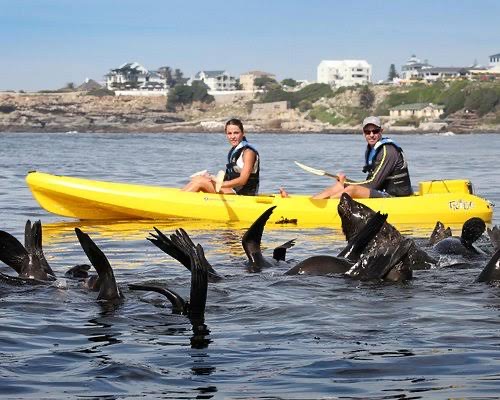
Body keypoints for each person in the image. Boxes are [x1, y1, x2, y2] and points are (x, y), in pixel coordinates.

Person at [280, 116, 413, 199]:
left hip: (395, 197)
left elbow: (373, 183)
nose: (371, 135)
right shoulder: (372, 149)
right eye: (368, 132)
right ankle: (307, 202)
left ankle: (321, 207)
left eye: (375, 131)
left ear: (381, 132)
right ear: (363, 133)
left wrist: (346, 184)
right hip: (381, 191)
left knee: (350, 189)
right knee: (339, 186)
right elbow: (371, 182)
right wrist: (342, 184)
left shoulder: (388, 151)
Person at [182, 118, 260, 195]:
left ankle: (179, 201)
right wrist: (213, 178)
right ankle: (180, 197)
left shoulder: (248, 153)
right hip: (232, 190)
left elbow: (242, 180)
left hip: (242, 194)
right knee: (198, 178)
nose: (232, 137)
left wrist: (220, 184)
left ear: (243, 133)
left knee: (200, 181)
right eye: (229, 133)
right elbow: (231, 176)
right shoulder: (235, 151)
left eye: (236, 133)